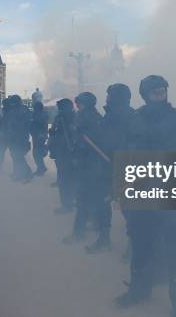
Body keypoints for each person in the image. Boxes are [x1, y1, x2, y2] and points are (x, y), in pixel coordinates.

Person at [115, 75, 176, 317]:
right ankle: (139, 291)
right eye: (154, 92)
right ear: (145, 95)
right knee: (141, 246)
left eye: (162, 90)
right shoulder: (135, 120)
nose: (160, 94)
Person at [86, 83, 138, 254]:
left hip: (122, 169)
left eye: (109, 95)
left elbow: (133, 143)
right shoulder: (109, 116)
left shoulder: (129, 117)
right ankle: (106, 238)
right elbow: (104, 139)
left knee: (126, 207)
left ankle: (133, 243)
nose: (106, 98)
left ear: (117, 97)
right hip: (107, 167)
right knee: (106, 204)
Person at [63, 92, 104, 244]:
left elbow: (94, 142)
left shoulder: (92, 119)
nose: (77, 106)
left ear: (86, 104)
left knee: (84, 198)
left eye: (79, 103)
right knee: (90, 197)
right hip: (86, 163)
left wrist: (80, 137)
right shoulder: (87, 117)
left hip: (90, 164)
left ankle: (78, 232)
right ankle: (94, 223)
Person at [48, 98, 78, 213]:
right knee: (67, 178)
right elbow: (54, 133)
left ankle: (67, 204)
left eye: (60, 108)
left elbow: (74, 136)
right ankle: (69, 202)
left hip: (68, 153)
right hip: (62, 152)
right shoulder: (61, 118)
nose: (59, 110)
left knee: (66, 180)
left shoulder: (72, 119)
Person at [5, 95, 33, 182]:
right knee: (14, 156)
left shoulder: (24, 110)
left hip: (21, 137)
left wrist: (16, 127)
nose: (12, 104)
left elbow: (26, 124)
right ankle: (17, 173)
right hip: (12, 137)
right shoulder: (12, 110)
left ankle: (28, 174)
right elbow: (9, 122)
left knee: (19, 156)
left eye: (14, 103)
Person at [30, 101, 49, 176]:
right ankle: (41, 167)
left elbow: (40, 124)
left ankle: (41, 168)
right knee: (36, 153)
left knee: (37, 153)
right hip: (36, 135)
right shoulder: (38, 114)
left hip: (40, 136)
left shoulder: (41, 115)